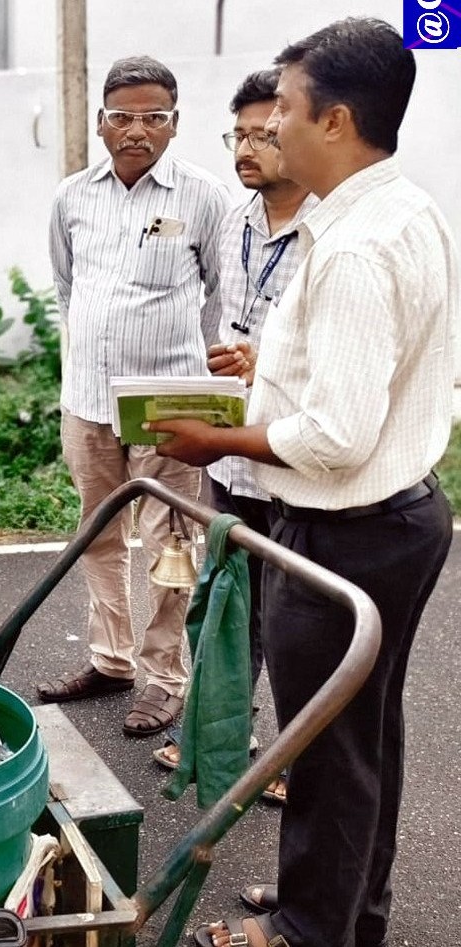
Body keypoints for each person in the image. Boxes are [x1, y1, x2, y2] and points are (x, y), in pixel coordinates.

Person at [146, 19, 456, 947]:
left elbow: (337, 437)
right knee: (365, 739)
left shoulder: (356, 246)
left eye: (282, 107)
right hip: (396, 521)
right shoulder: (397, 208)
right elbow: (369, 372)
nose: (267, 126)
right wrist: (264, 366)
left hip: (349, 527)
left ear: (337, 119)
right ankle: (349, 911)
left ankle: (307, 927)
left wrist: (217, 439)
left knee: (326, 745)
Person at [40, 55, 230, 737]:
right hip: (87, 400)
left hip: (166, 405)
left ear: (175, 125)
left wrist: (189, 375)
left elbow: (220, 294)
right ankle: (111, 659)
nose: (136, 130)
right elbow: (68, 288)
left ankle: (164, 678)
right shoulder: (72, 197)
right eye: (122, 117)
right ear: (100, 123)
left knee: (170, 543)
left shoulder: (202, 196)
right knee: (98, 535)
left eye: (153, 117)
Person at [151, 68, 318, 809]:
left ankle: (296, 758)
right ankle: (230, 737)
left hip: (290, 459)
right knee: (232, 601)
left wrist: (268, 362)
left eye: (263, 134)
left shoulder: (327, 232)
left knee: (294, 626)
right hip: (234, 455)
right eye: (238, 135)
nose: (247, 149)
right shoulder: (240, 219)